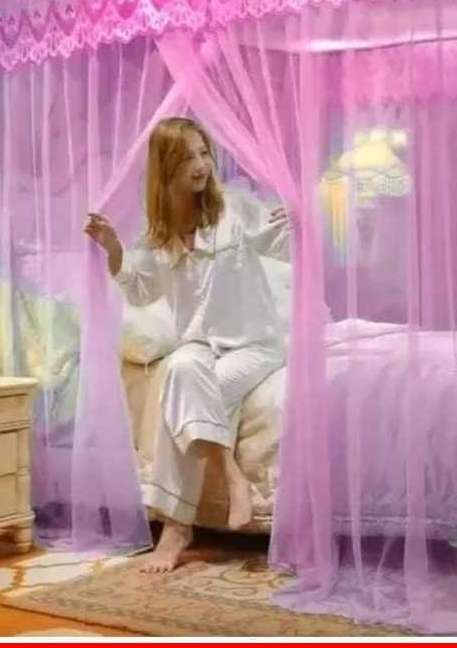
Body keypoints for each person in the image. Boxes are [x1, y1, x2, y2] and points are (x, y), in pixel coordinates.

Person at [84, 117, 287, 573]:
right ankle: (231, 474)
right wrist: (113, 249)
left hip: (254, 346)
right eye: (187, 158)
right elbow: (140, 291)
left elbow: (277, 244)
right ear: (166, 167)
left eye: (203, 153)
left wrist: (296, 223)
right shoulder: (158, 234)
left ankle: (177, 528)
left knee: (182, 389)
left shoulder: (235, 209)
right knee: (178, 368)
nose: (200, 165)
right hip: (200, 345)